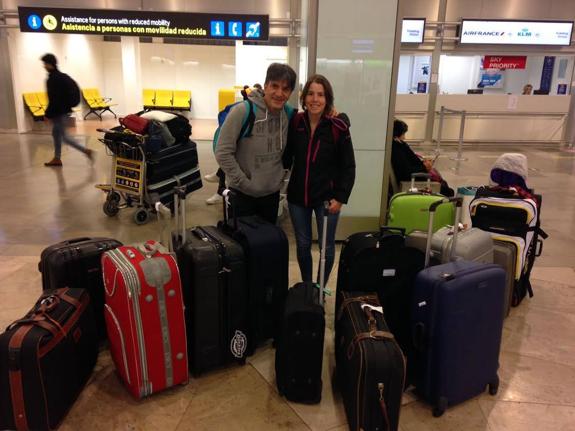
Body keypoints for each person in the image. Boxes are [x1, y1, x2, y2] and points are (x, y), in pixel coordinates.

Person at [283, 74, 355, 284]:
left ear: (327, 99)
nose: (315, 99)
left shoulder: (337, 127)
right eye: (311, 94)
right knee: (303, 245)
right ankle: (307, 287)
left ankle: (320, 289)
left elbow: (348, 166)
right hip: (298, 197)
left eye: (321, 95)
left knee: (326, 246)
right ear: (304, 98)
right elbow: (287, 157)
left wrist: (340, 198)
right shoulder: (296, 121)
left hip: (327, 199)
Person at [215, 65, 296, 223]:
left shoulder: (288, 115)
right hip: (242, 196)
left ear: (290, 92)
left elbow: (315, 115)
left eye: (285, 89)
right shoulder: (242, 112)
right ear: (265, 85)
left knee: (266, 245)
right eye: (275, 86)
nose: (279, 93)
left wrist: (334, 113)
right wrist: (245, 184)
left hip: (271, 196)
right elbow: (223, 152)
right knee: (242, 245)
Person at [41, 53, 93, 167]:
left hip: (59, 113)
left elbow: (53, 99)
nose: (44, 66)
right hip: (63, 110)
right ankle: (57, 158)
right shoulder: (62, 77)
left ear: (50, 64)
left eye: (45, 64)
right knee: (56, 134)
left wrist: (47, 114)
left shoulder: (53, 79)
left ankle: (86, 151)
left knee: (65, 137)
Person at [391, 119, 453, 196]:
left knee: (443, 184)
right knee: (446, 190)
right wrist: (424, 167)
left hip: (415, 173)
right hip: (413, 178)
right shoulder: (397, 149)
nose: (404, 137)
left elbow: (410, 160)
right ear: (397, 134)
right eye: (403, 134)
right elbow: (405, 172)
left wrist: (423, 163)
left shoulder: (399, 145)